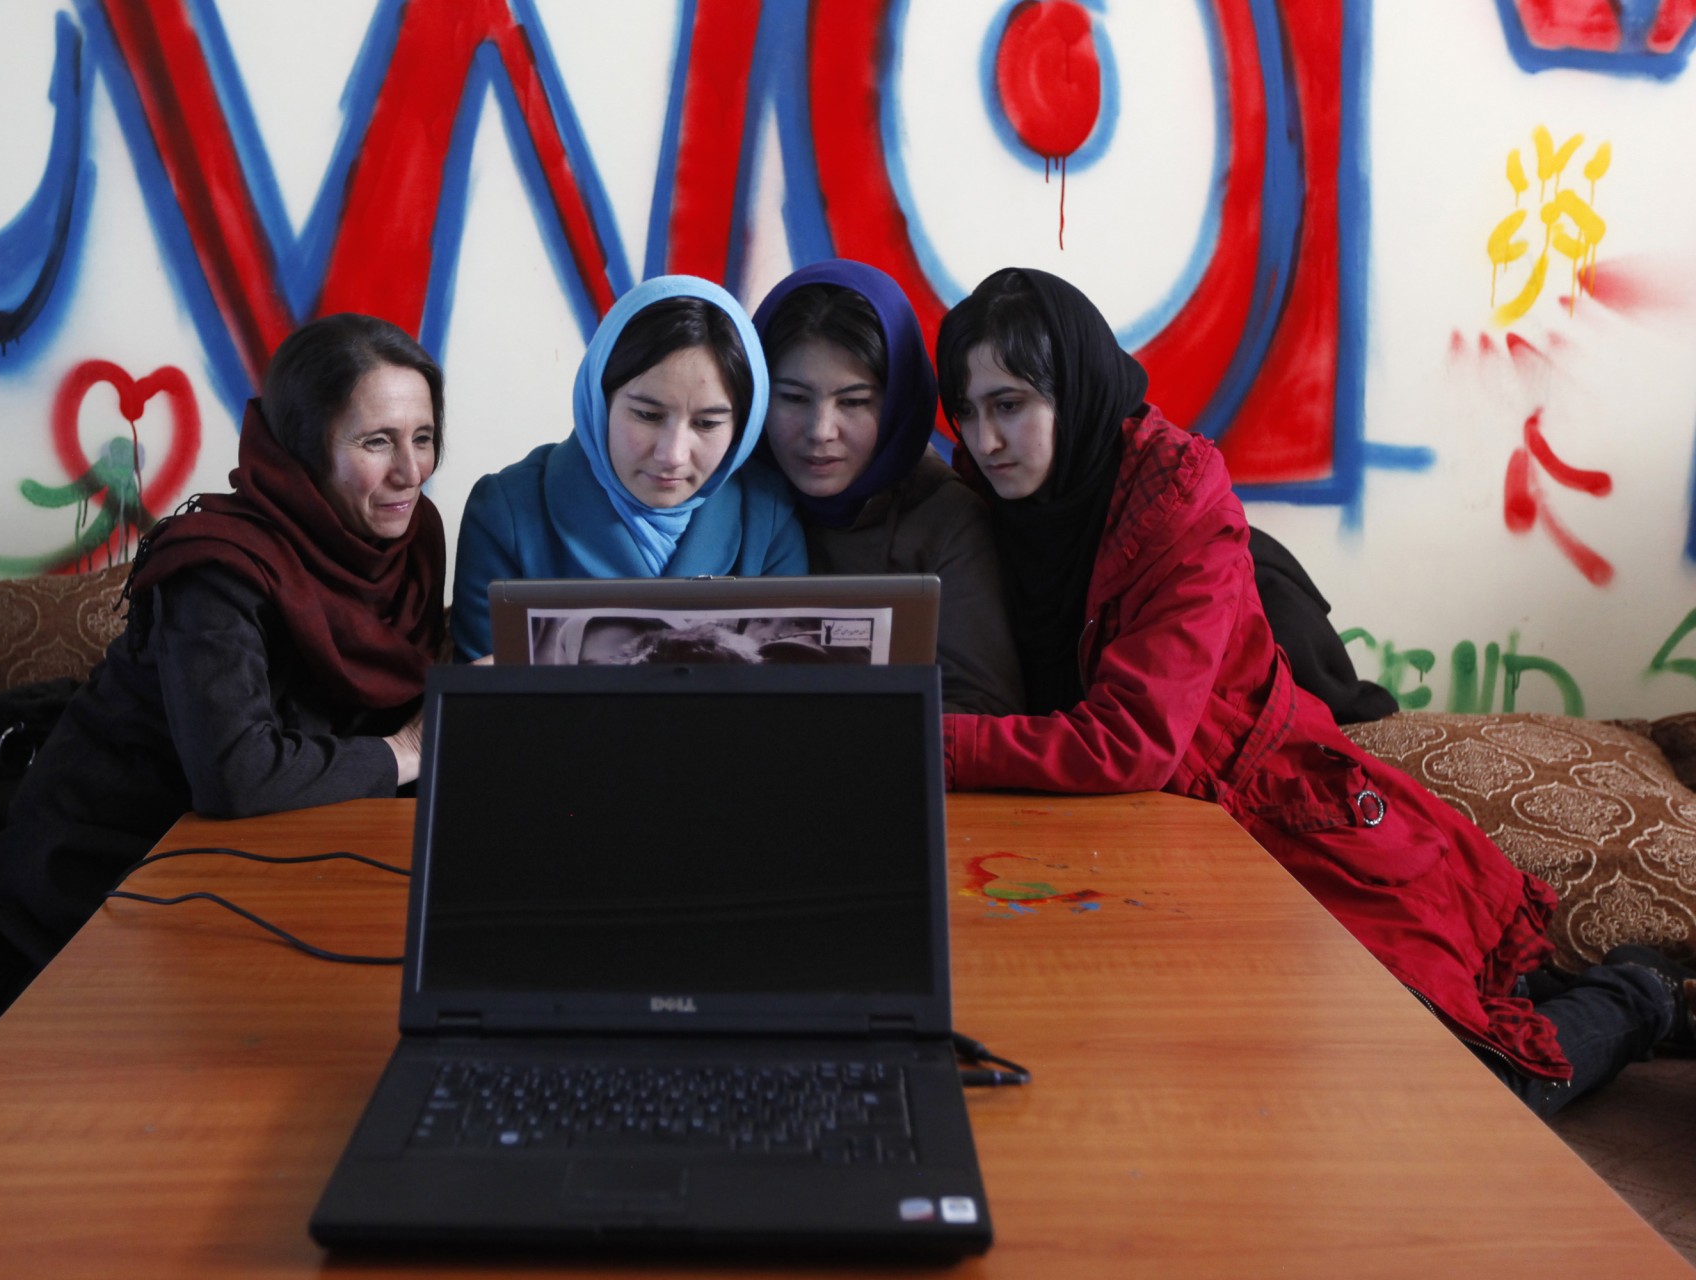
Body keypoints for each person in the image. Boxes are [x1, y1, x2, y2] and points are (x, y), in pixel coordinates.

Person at [932, 266, 1693, 1115]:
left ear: (1074, 390)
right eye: (966, 411)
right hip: (1148, 855)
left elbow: (1132, 740)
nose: (985, 439)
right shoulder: (982, 515)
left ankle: (1642, 996)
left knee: (1462, 1091)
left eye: (1010, 405)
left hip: (1282, 823)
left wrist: (929, 738)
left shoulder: (1178, 509)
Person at [0, 313, 449, 1129]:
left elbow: (384, 687)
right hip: (116, 839)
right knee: (12, 1013)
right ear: (303, 446)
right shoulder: (217, 565)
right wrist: (406, 750)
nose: (409, 472)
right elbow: (238, 773)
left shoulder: (410, 543)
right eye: (376, 441)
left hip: (272, 843)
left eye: (423, 437)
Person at [448, 275, 805, 660]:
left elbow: (787, 679)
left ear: (743, 426)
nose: (673, 455)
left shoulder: (767, 514)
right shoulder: (507, 511)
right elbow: (482, 685)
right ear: (600, 400)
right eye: (648, 415)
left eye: (707, 423)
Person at [752, 259, 1023, 715]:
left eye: (854, 401)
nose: (820, 431)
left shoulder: (947, 520)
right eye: (793, 397)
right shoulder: (728, 503)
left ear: (899, 401)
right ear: (756, 393)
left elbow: (980, 707)